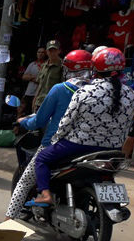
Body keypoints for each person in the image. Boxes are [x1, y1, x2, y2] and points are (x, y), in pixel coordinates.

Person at [32, 48, 134, 206]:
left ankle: (45, 195)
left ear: (95, 68)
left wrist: (56, 139)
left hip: (77, 146)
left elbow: (66, 122)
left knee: (42, 158)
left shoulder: (86, 91)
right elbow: (128, 125)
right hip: (113, 150)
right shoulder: (130, 94)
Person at [5, 50, 93, 219]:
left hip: (57, 143)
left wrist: (23, 121)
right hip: (88, 147)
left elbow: (40, 120)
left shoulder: (60, 89)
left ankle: (7, 220)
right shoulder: (95, 91)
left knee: (24, 183)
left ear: (67, 69)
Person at [32, 40, 63, 111]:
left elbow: (63, 87)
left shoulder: (62, 66)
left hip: (53, 103)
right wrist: (34, 101)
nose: (52, 53)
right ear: (47, 52)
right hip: (39, 102)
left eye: (54, 50)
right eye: (50, 51)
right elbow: (40, 85)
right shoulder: (44, 66)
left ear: (59, 51)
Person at [21, 46, 47, 114]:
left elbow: (44, 80)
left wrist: (31, 77)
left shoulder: (47, 65)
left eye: (42, 52)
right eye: (39, 52)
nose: (40, 54)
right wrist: (35, 78)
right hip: (29, 92)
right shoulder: (32, 64)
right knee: (25, 111)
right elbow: (24, 76)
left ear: (46, 54)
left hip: (40, 94)